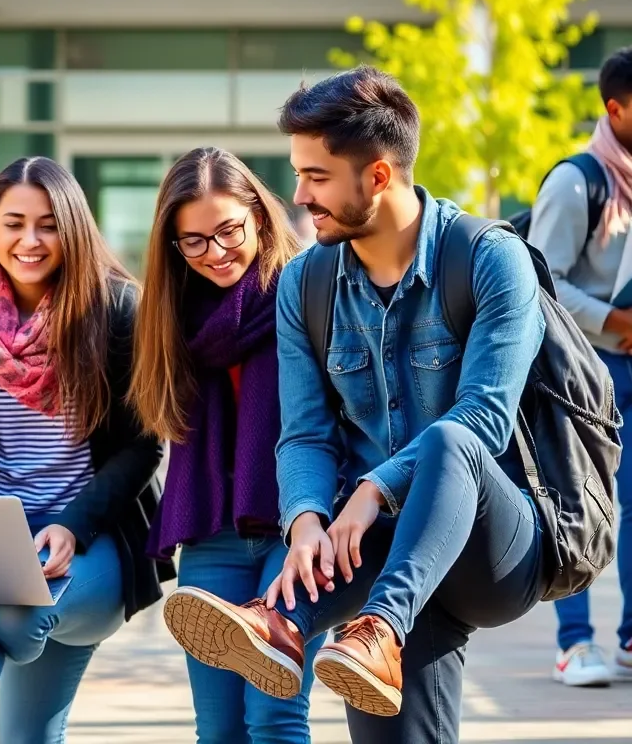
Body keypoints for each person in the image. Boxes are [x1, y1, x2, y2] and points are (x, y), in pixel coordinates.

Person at [162, 68, 547, 744]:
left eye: (315, 176)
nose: (298, 195)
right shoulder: (307, 284)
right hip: (377, 557)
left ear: (376, 176)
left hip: (493, 546)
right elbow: (305, 432)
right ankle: (287, 622)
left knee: (450, 444)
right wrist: (306, 518)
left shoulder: (490, 259)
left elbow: (484, 418)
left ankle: (345, 622)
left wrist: (370, 489)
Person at [0, 156, 165, 742]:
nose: (30, 240)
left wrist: (73, 525)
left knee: (19, 614)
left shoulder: (118, 310)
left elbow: (144, 448)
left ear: (72, 227)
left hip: (87, 544)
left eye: (47, 224)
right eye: (14, 222)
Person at [129, 146, 322, 744]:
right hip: (211, 537)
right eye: (193, 240)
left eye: (228, 230)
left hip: (293, 536)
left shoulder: (307, 290)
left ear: (259, 216)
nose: (215, 252)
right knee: (217, 729)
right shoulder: (170, 316)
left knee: (274, 717)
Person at [528, 45, 632, 687]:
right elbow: (541, 279)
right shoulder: (577, 182)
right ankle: (574, 642)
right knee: (577, 505)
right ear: (614, 108)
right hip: (583, 373)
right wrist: (618, 321)